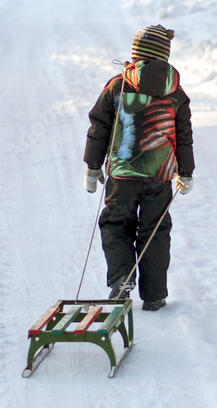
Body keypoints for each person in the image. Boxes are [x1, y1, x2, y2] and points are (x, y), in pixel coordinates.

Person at [83, 24, 194, 310]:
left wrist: (93, 166)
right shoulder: (176, 92)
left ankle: (121, 279)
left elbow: (100, 128)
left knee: (116, 224)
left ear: (136, 55)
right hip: (160, 177)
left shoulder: (116, 86)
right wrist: (186, 171)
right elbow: (183, 134)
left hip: (122, 175)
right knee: (155, 231)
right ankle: (154, 295)